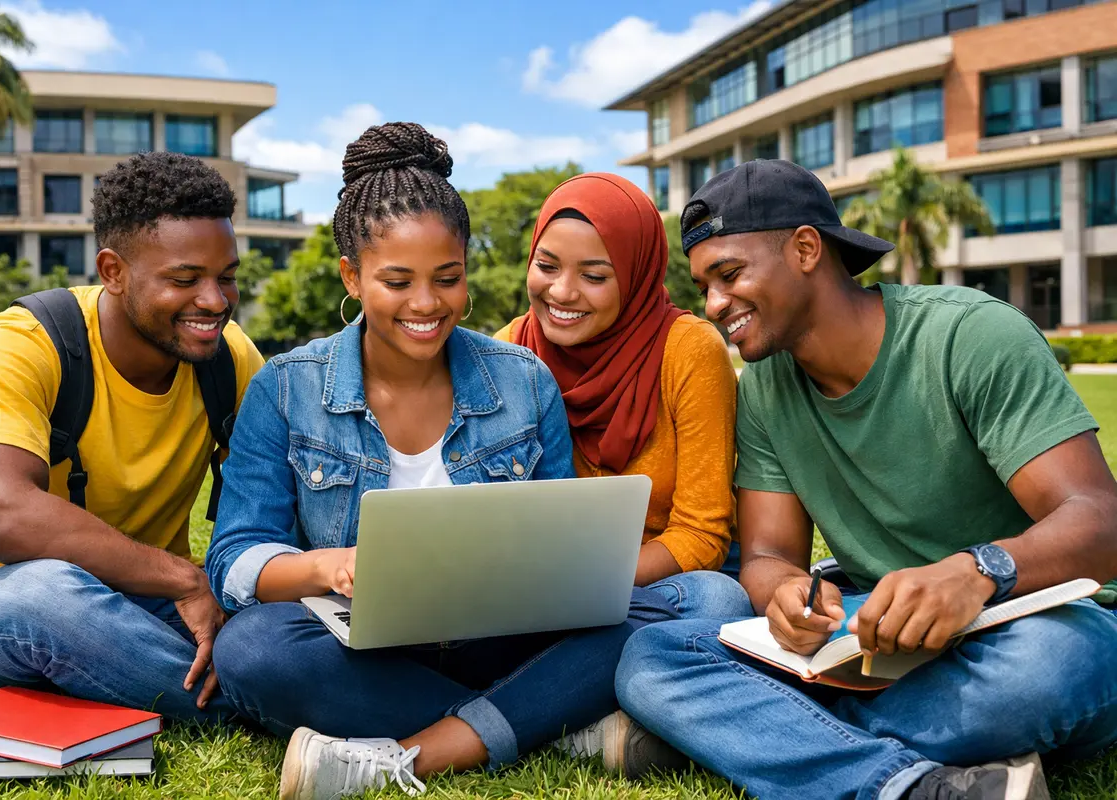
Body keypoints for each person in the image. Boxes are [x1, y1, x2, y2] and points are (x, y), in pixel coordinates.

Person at [615, 160, 1117, 800]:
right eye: (705, 284)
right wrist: (788, 596)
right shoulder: (765, 387)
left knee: (1052, 669)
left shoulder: (969, 336)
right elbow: (769, 556)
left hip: (1030, 622)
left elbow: (1099, 520)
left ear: (804, 248)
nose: (714, 305)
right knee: (654, 661)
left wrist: (974, 572)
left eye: (730, 274)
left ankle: (748, 734)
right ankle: (909, 786)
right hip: (873, 642)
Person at [205, 123, 679, 800]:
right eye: (397, 281)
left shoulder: (524, 381)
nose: (427, 305)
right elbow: (235, 556)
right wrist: (330, 566)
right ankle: (546, 720)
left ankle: (421, 750)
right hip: (363, 647)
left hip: (506, 636)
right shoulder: (285, 386)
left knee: (668, 611)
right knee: (251, 650)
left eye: (447, 279)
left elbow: (562, 543)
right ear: (352, 276)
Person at [0, 151, 264, 721]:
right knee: (44, 597)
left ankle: (187, 673)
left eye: (226, 277)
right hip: (2, 605)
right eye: (185, 279)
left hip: (150, 607)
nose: (215, 301)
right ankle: (259, 703)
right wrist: (180, 577)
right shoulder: (24, 341)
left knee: (276, 612)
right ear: (112, 271)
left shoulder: (230, 361)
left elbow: (277, 506)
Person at [493, 172, 744, 775]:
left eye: (595, 275)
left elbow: (703, 534)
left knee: (718, 601)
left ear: (633, 277)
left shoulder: (688, 350)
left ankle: (511, 716)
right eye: (547, 266)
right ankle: (571, 722)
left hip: (661, 588)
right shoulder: (506, 354)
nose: (562, 291)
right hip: (542, 595)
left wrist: (590, 584)